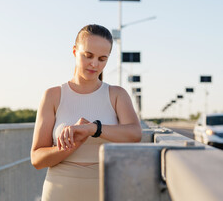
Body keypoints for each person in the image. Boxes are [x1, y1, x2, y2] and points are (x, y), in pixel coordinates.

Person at [30, 24, 142, 201]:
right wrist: (72, 143)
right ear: (75, 51)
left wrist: (93, 129)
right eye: (88, 56)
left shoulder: (117, 94)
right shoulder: (53, 96)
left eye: (102, 59)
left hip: (107, 190)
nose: (94, 64)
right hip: (59, 191)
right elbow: (37, 159)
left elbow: (135, 133)